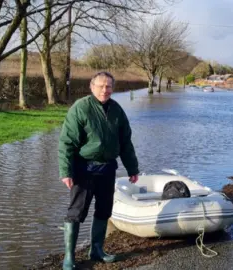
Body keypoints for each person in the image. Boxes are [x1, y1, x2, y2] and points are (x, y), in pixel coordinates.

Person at [58, 71, 140, 269]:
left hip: (107, 169)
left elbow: (125, 142)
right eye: (101, 86)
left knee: (104, 210)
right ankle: (69, 257)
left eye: (109, 86)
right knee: (76, 212)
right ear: (91, 86)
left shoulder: (117, 110)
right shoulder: (81, 108)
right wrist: (66, 171)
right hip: (83, 169)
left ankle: (96, 250)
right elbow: (67, 143)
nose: (105, 90)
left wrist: (132, 168)